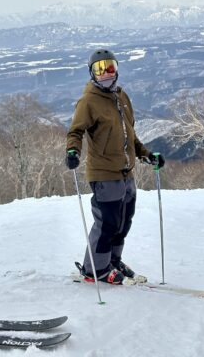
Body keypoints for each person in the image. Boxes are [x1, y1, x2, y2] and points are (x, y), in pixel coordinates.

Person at [66, 49, 165, 284]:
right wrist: (73, 151)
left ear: (117, 69)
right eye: (99, 70)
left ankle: (111, 260)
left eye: (109, 67)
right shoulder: (88, 101)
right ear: (91, 73)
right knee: (107, 222)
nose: (105, 74)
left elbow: (129, 136)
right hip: (104, 173)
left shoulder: (121, 96)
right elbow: (76, 131)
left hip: (126, 172)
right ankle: (95, 269)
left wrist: (146, 155)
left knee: (123, 222)